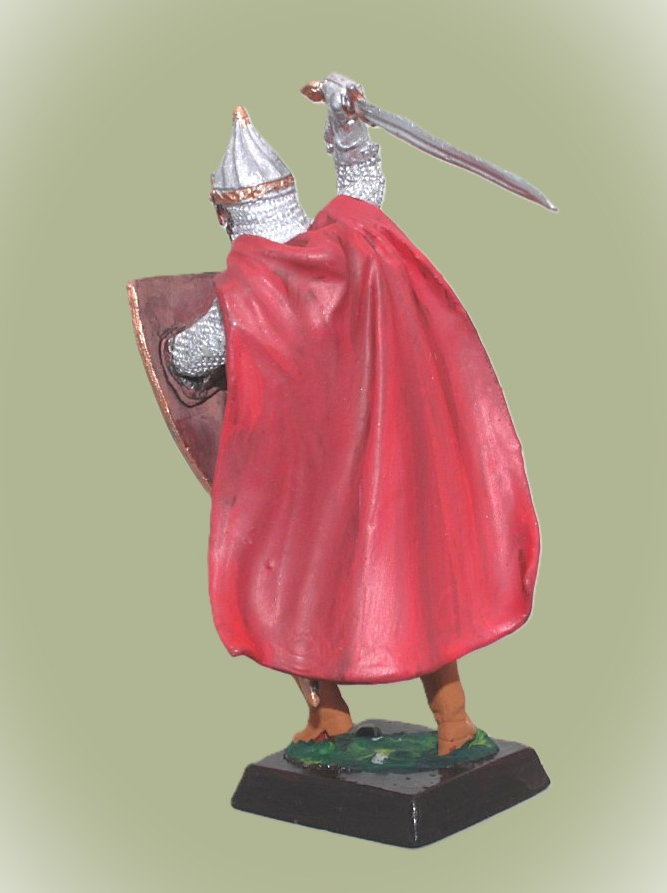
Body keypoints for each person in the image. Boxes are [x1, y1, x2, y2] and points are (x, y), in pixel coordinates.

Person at [165, 74, 539, 755]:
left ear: (226, 216)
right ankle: (448, 720)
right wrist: (345, 123)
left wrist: (178, 337)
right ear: (289, 194)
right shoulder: (350, 244)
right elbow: (362, 184)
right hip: (382, 463)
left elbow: (187, 363)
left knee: (288, 586)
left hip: (304, 486)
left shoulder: (237, 301)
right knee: (417, 574)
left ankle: (331, 709)